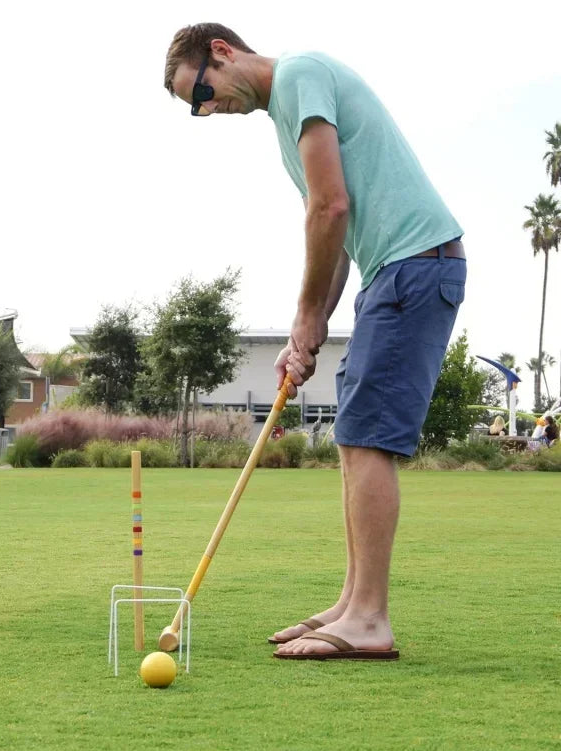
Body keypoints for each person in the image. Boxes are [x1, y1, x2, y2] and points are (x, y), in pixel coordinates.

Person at [165, 24, 466, 660]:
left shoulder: (300, 72)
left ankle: (369, 619)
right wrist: (308, 329)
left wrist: (306, 314)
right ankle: (353, 601)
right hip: (390, 272)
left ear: (220, 52)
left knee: (366, 438)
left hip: (414, 266)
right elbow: (337, 224)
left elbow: (329, 207)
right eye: (195, 106)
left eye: (200, 92)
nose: (204, 110)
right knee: (354, 437)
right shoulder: (286, 122)